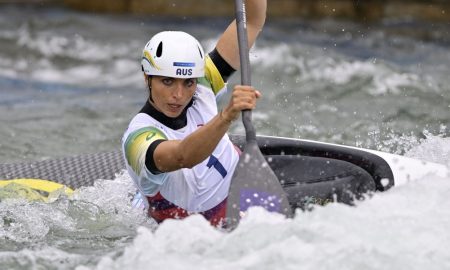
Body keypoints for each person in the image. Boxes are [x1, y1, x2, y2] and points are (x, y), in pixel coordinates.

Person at [122, 0, 266, 227]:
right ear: (147, 78)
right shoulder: (138, 137)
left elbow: (252, 23)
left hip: (244, 187)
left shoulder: (203, 82)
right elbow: (182, 156)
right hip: (191, 231)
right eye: (167, 81)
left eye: (188, 83)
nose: (178, 94)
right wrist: (226, 115)